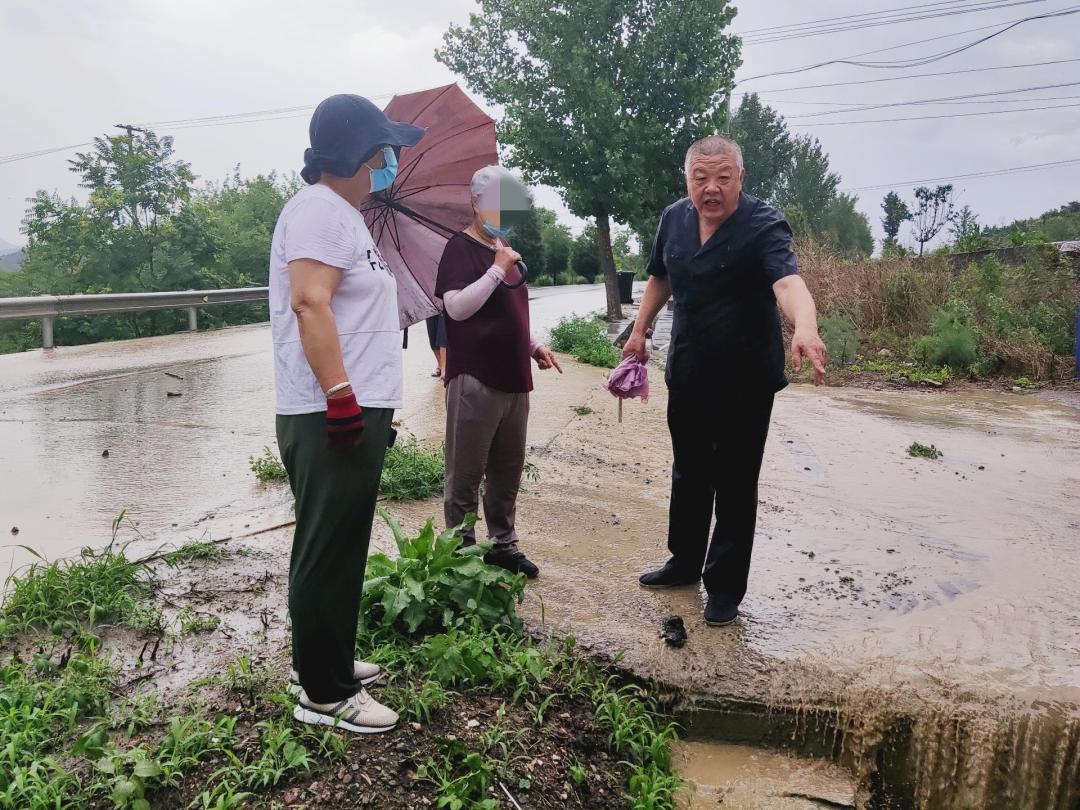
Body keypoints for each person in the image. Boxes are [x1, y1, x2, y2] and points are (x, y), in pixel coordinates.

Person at [624, 134, 827, 628]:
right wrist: (639, 329)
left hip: (746, 377)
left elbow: (788, 283)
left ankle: (725, 588)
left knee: (735, 483)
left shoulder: (762, 223)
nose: (711, 188)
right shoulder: (673, 218)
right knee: (689, 472)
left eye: (723, 177)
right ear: (687, 180)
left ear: (741, 178)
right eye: (701, 178)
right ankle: (685, 563)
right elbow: (660, 277)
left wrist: (805, 325)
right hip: (690, 367)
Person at [269, 94, 424, 733]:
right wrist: (340, 397)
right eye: (384, 151)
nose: (390, 161)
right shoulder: (318, 214)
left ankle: (323, 659)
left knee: (342, 541)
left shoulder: (343, 217)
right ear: (359, 154)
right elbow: (311, 303)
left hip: (355, 407)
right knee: (328, 545)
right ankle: (324, 693)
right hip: (331, 410)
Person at [434, 165, 562, 579]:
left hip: (514, 379)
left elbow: (510, 312)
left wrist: (533, 346)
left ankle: (503, 545)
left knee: (507, 471)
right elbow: (455, 308)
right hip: (475, 377)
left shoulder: (503, 247)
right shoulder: (460, 248)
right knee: (465, 472)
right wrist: (496, 268)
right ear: (475, 203)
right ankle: (462, 552)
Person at [426, 312, 447, 377]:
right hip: (430, 306)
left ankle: (444, 368)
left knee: (442, 334)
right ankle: (440, 364)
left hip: (445, 305)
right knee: (432, 336)